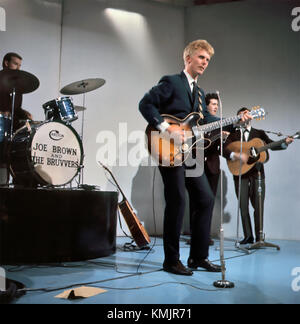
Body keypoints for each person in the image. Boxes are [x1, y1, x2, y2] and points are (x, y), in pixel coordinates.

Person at [139, 40, 252, 275]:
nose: (205, 63)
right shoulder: (171, 82)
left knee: (205, 199)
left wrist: (235, 120)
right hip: (167, 148)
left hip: (189, 154)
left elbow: (204, 121)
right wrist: (166, 128)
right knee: (178, 200)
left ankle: (198, 258)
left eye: (208, 60)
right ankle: (171, 261)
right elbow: (145, 104)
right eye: (201, 57)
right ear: (188, 58)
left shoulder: (200, 93)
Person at [224, 107, 294, 244]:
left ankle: (259, 237)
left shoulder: (259, 133)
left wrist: (284, 143)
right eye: (240, 116)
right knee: (243, 206)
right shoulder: (233, 135)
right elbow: (225, 150)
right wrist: (236, 155)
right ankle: (248, 236)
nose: (244, 118)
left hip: (257, 172)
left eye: (246, 115)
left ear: (251, 117)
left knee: (258, 204)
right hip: (239, 173)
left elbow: (271, 145)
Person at [0, 52, 32, 185]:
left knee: (13, 156)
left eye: (20, 65)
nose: (18, 68)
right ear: (6, 63)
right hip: (1, 124)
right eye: (15, 64)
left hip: (11, 127)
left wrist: (25, 114)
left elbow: (16, 109)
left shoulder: (17, 87)